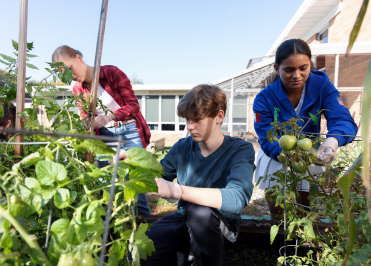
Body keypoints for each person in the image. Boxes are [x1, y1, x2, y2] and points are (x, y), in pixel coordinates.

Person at [142, 84, 255, 266]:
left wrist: (177, 191)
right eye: (187, 120)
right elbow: (156, 175)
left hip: (220, 225)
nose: (190, 126)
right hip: (182, 218)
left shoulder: (240, 150)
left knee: (200, 213)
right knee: (142, 245)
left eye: (196, 119)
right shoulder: (182, 147)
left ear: (219, 116)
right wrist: (133, 163)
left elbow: (236, 198)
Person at [52, 45, 152, 215]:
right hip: (105, 136)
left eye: (70, 69)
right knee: (105, 182)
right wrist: (85, 129)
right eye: (65, 75)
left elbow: (134, 105)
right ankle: (114, 228)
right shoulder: (78, 89)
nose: (72, 77)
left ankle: (147, 228)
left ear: (79, 58)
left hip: (129, 130)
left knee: (136, 182)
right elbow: (85, 116)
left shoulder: (111, 73)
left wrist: (108, 117)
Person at [253, 39, 358, 192]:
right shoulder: (264, 99)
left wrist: (333, 141)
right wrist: (290, 155)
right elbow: (267, 137)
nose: (297, 75)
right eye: (289, 70)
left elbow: (342, 118)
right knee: (279, 208)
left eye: (303, 68)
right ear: (276, 68)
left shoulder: (322, 87)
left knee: (308, 208)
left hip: (313, 156)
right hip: (277, 155)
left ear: (310, 64)